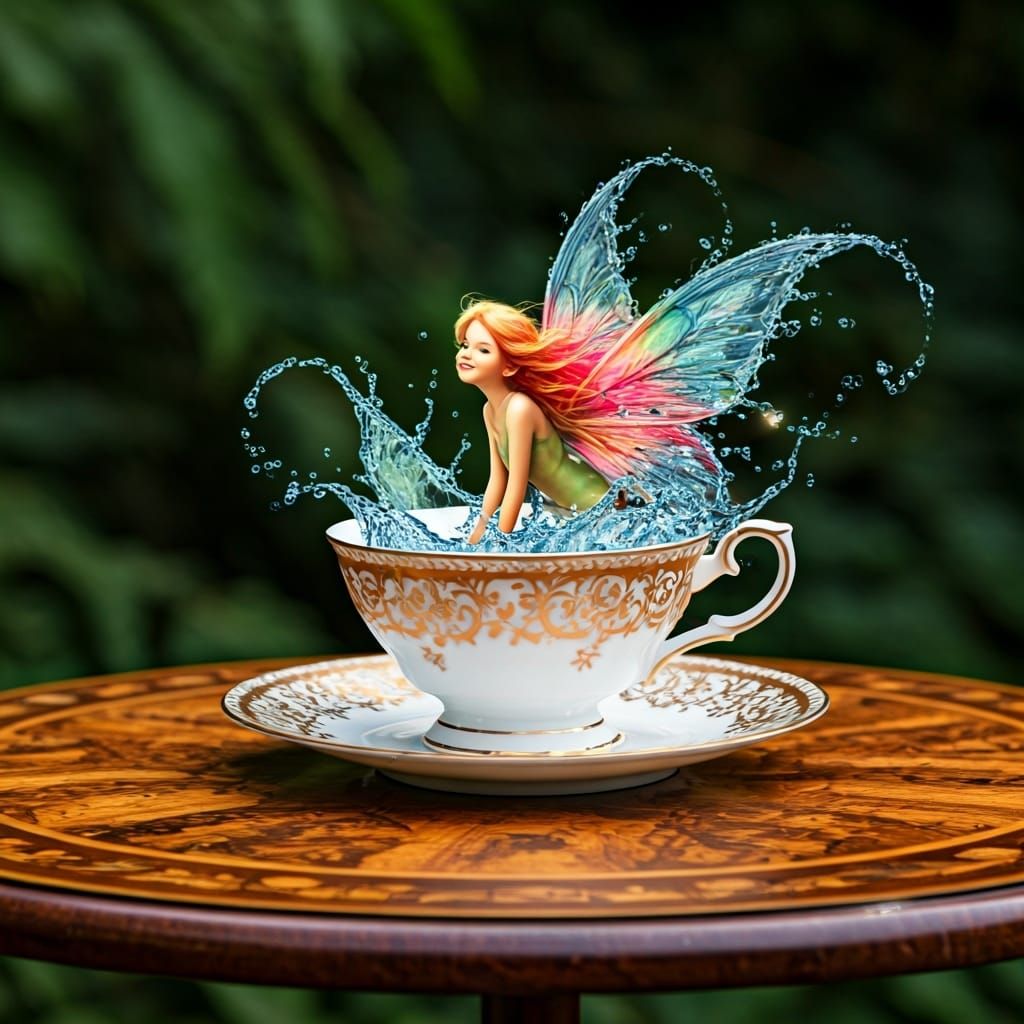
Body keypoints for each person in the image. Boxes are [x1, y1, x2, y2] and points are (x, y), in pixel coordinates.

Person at [454, 299, 612, 543]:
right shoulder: (490, 410)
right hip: (570, 514)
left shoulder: (519, 408)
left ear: (509, 367)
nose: (466, 354)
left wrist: (497, 546)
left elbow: (516, 487)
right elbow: (497, 481)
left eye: (483, 350)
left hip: (598, 506)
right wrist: (475, 539)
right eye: (465, 345)